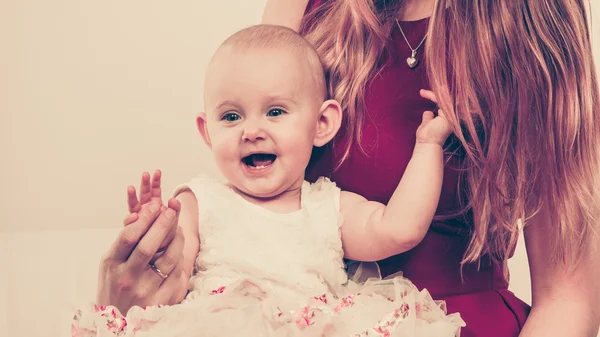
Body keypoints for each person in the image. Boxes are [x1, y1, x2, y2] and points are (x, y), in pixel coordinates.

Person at [72, 24, 465, 336]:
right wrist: (155, 232)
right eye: (231, 117)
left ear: (322, 124)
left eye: (275, 112)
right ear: (207, 132)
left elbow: (399, 230)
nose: (251, 130)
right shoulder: (200, 201)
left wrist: (428, 145)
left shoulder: (328, 206)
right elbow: (170, 279)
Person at [263, 0, 600, 336]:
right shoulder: (304, 7)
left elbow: (568, 297)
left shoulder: (534, 11)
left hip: (460, 325)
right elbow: (248, 186)